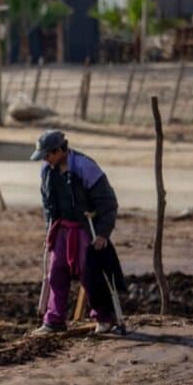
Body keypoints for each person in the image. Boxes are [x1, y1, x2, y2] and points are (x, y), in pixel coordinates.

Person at [31, 130, 119, 335]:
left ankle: (104, 318)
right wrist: (49, 232)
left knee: (90, 274)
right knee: (56, 273)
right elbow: (47, 205)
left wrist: (103, 233)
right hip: (61, 228)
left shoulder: (85, 167)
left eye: (47, 155)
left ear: (60, 150)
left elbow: (108, 202)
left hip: (84, 228)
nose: (45, 159)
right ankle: (54, 320)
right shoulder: (46, 170)